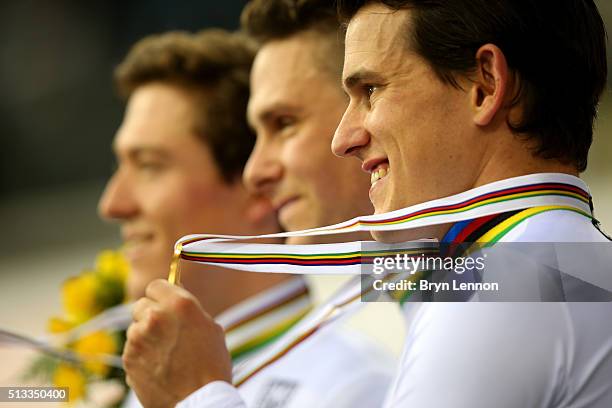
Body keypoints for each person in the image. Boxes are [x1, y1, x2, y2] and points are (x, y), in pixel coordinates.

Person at [123, 0, 612, 407]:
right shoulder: (558, 260)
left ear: (485, 85)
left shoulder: (502, 282)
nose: (345, 137)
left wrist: (195, 396)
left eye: (371, 91)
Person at [105, 15, 393, 408]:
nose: (113, 205)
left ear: (251, 189)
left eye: (150, 165)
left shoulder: (355, 386)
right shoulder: (154, 383)